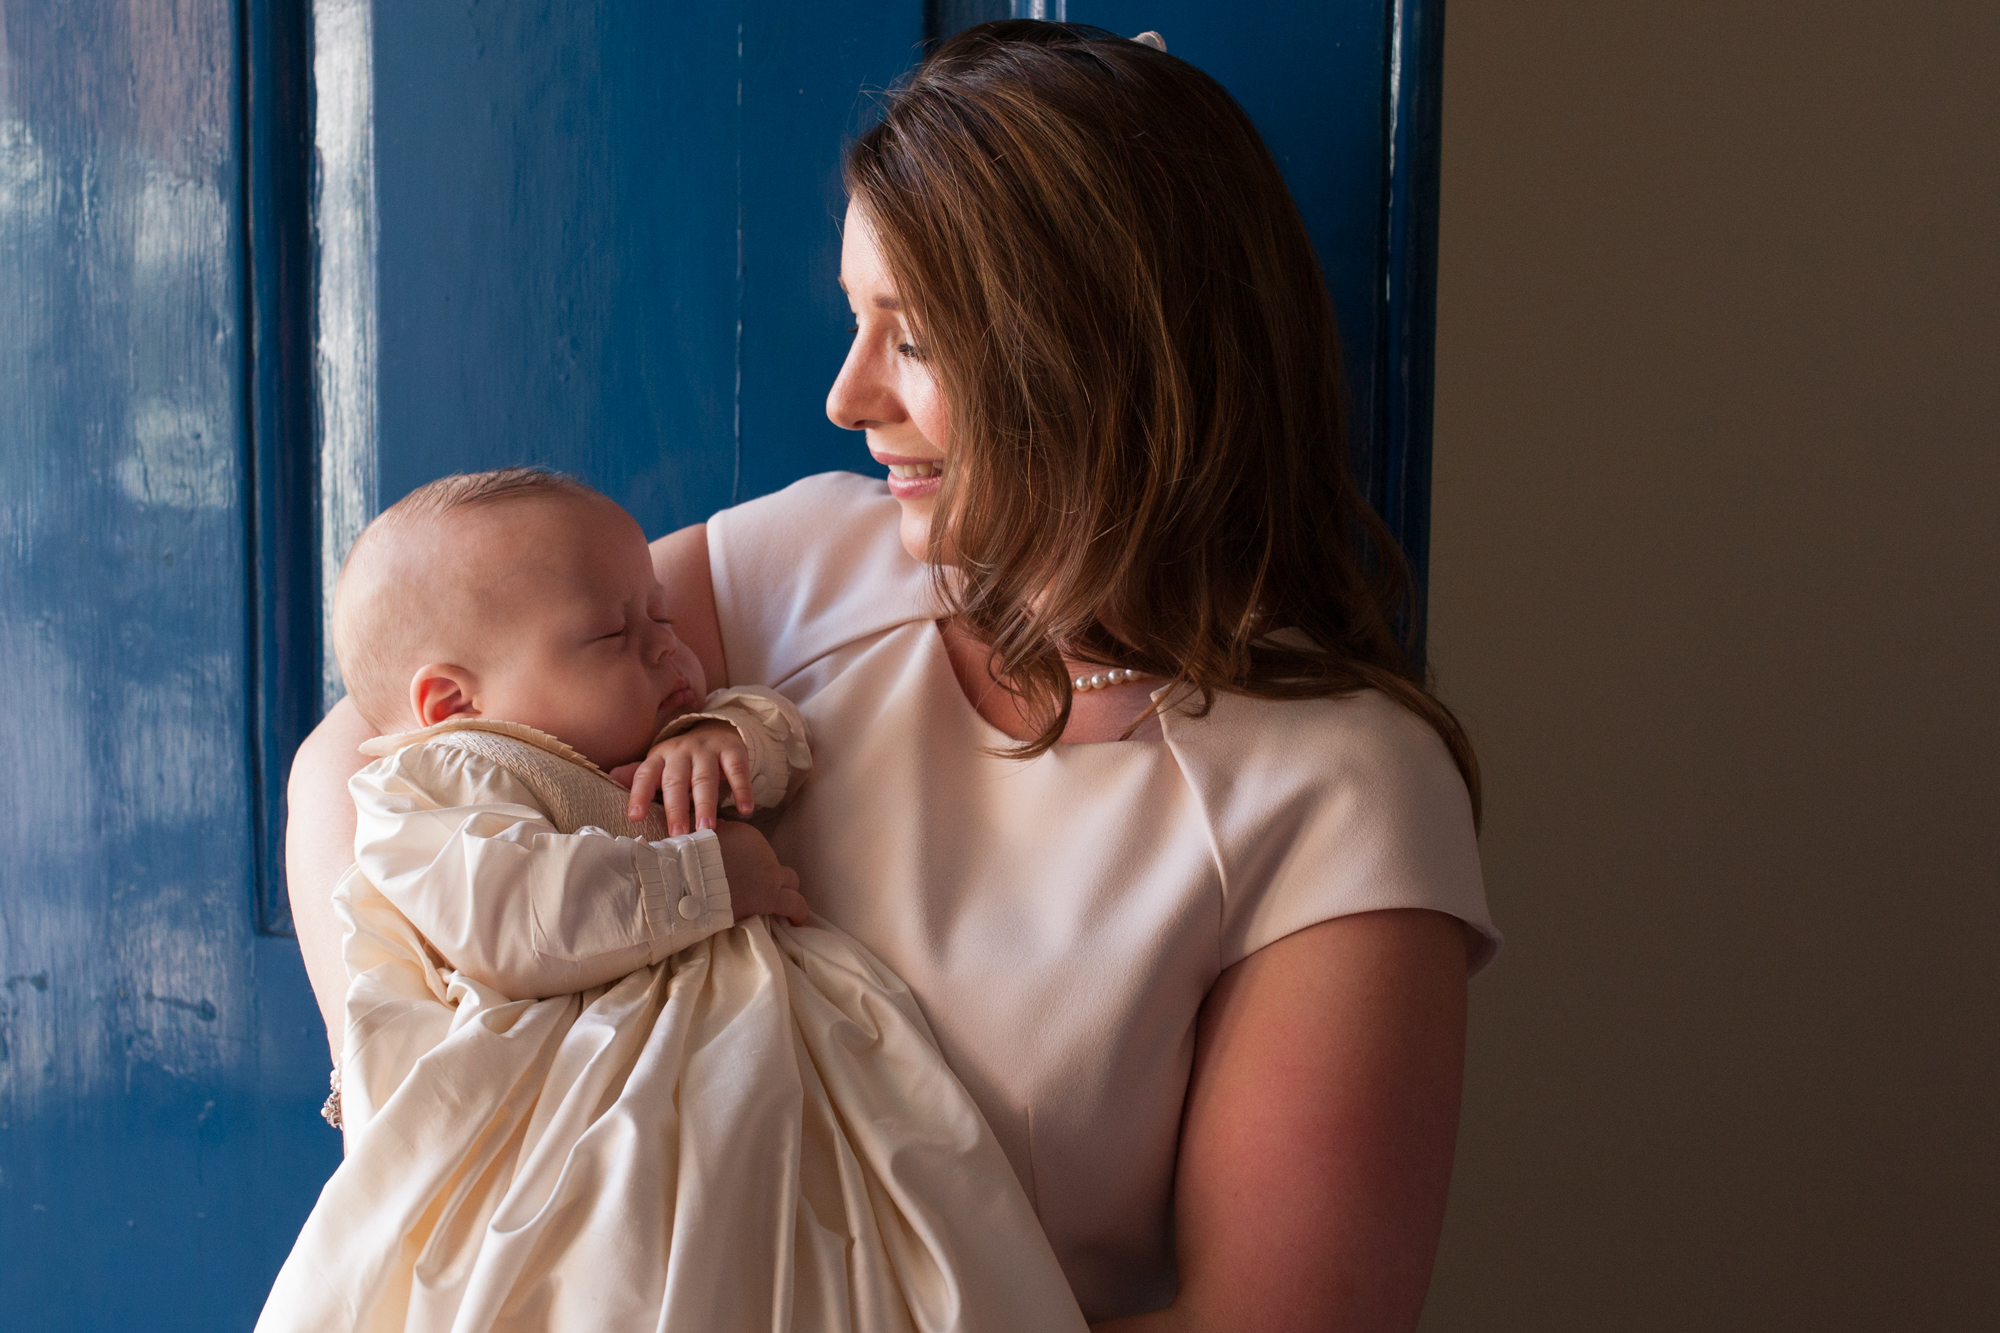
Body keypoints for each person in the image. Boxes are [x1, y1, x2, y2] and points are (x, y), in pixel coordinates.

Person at [288, 21, 1499, 1331]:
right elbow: (361, 751)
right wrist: (429, 1101)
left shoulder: (1340, 790)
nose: (847, 396)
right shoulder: (809, 560)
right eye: (860, 321)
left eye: (911, 340)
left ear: (1094, 364)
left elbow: (1274, 1317)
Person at [262, 468, 1087, 1331]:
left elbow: (780, 737)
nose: (667, 646)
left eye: (661, 614)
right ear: (453, 702)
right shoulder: (443, 782)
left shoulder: (654, 733)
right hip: (568, 1091)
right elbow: (520, 919)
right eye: (616, 633)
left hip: (752, 1058)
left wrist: (721, 737)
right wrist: (716, 876)